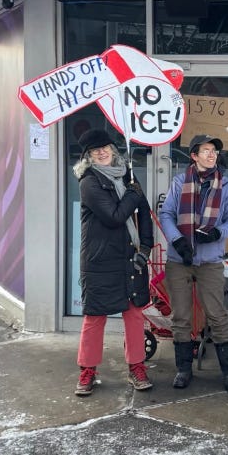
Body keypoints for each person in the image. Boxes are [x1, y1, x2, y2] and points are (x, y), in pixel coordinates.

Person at [73, 128, 154, 396]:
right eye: (95, 150)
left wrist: (146, 247)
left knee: (134, 315)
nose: (102, 151)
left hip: (130, 257)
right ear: (89, 156)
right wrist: (134, 192)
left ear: (113, 149)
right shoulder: (89, 182)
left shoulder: (127, 176)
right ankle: (88, 371)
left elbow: (144, 213)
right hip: (100, 261)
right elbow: (114, 216)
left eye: (105, 147)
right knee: (95, 316)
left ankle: (137, 367)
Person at [159, 134, 228, 392]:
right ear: (194, 156)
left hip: (210, 261)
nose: (212, 155)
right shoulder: (178, 183)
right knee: (182, 317)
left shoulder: (226, 186)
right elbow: (167, 214)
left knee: (217, 316)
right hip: (179, 259)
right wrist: (178, 240)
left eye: (214, 151)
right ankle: (184, 370)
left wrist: (220, 233)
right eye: (206, 151)